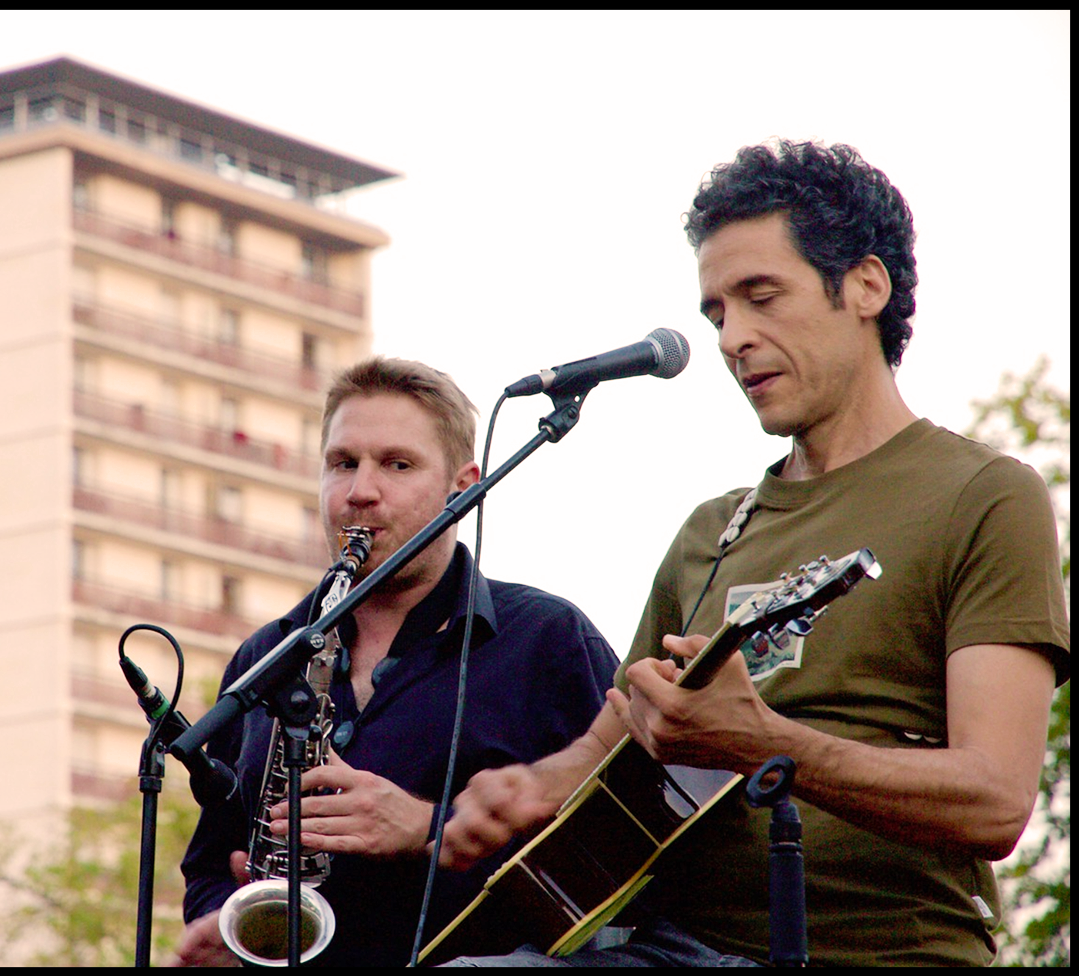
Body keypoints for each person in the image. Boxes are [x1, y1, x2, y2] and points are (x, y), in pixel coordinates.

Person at [437, 140, 1070, 967]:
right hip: (670, 944)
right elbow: (619, 731)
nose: (734, 337)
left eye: (761, 297)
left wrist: (765, 742)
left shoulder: (986, 494)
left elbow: (994, 802)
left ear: (866, 287)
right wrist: (537, 784)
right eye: (717, 313)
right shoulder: (712, 529)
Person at [173, 357, 619, 967]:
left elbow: (620, 860)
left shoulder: (548, 640)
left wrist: (427, 830)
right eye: (342, 463)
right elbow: (208, 861)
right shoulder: (266, 657)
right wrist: (228, 920)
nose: (360, 490)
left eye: (397, 464)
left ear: (464, 488)